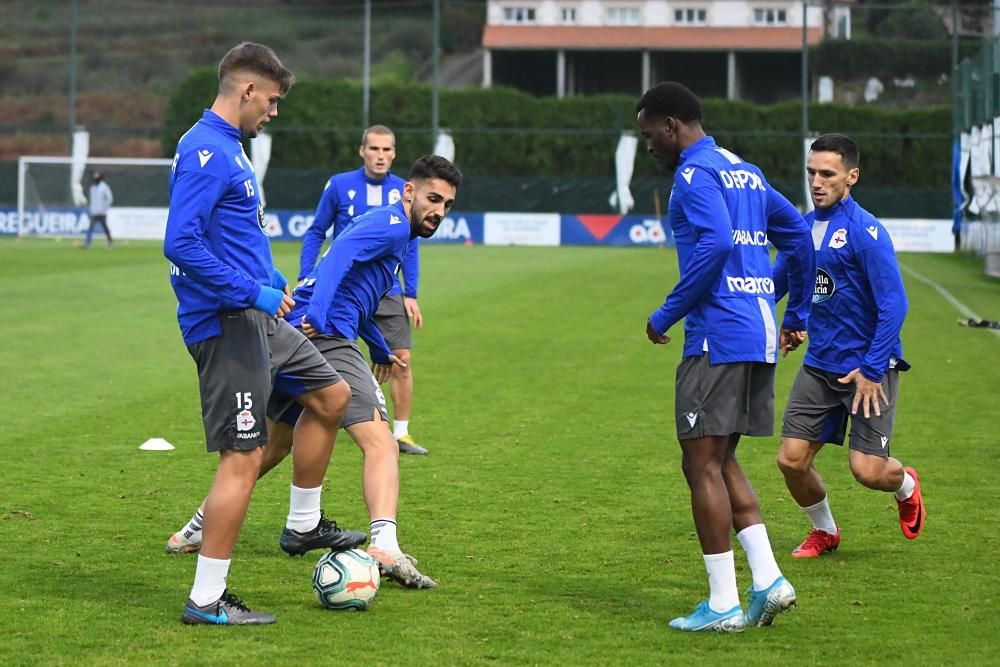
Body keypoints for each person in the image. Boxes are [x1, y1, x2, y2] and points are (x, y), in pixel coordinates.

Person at [167, 155, 462, 589]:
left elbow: (355, 293)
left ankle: (192, 530)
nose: (439, 211)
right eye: (433, 198)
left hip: (308, 329)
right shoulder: (395, 225)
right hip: (324, 335)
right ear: (409, 193)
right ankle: (384, 544)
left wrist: (380, 347)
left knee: (273, 444)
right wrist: (321, 318)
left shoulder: (395, 230)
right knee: (380, 441)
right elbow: (338, 255)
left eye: (448, 205)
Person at [163, 42, 364, 626]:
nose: (273, 112)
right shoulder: (206, 148)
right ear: (247, 90)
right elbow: (181, 244)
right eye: (271, 101)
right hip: (225, 323)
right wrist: (254, 293)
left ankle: (303, 525)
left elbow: (233, 235)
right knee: (242, 458)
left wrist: (274, 280)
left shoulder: (228, 147)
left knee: (332, 395)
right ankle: (206, 599)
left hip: (257, 316)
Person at [635, 82, 815, 633]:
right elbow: (801, 242)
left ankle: (722, 603)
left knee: (699, 465)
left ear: (671, 126)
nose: (649, 148)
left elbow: (712, 245)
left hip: (717, 338)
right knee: (721, 460)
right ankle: (768, 580)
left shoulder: (693, 175)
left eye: (649, 136)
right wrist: (794, 313)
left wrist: (664, 315)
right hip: (756, 334)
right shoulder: (747, 170)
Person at [772, 133, 925, 559]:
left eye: (827, 174)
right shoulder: (801, 228)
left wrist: (874, 369)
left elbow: (895, 305)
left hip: (867, 370)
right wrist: (787, 320)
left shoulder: (865, 232)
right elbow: (781, 283)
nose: (816, 182)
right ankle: (825, 531)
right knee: (791, 460)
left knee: (868, 471)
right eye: (811, 173)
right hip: (820, 366)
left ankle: (907, 485)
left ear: (851, 177)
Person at [299, 125, 429, 455]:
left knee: (400, 357)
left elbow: (410, 248)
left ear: (394, 154)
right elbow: (318, 232)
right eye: (374, 149)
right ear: (362, 151)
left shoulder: (406, 190)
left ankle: (401, 433)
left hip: (387, 289)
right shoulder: (340, 185)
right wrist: (306, 276)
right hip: (340, 288)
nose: (380, 155)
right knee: (328, 350)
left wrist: (410, 292)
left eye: (387, 150)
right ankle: (348, 415)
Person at [84, 171, 113, 249]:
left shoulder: (104, 187)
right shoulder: (92, 187)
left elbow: (109, 198)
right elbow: (92, 200)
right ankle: (88, 243)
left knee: (105, 227)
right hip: (94, 212)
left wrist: (105, 207)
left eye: (97, 176)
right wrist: (91, 208)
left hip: (102, 212)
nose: (95, 178)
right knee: (90, 227)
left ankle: (110, 242)